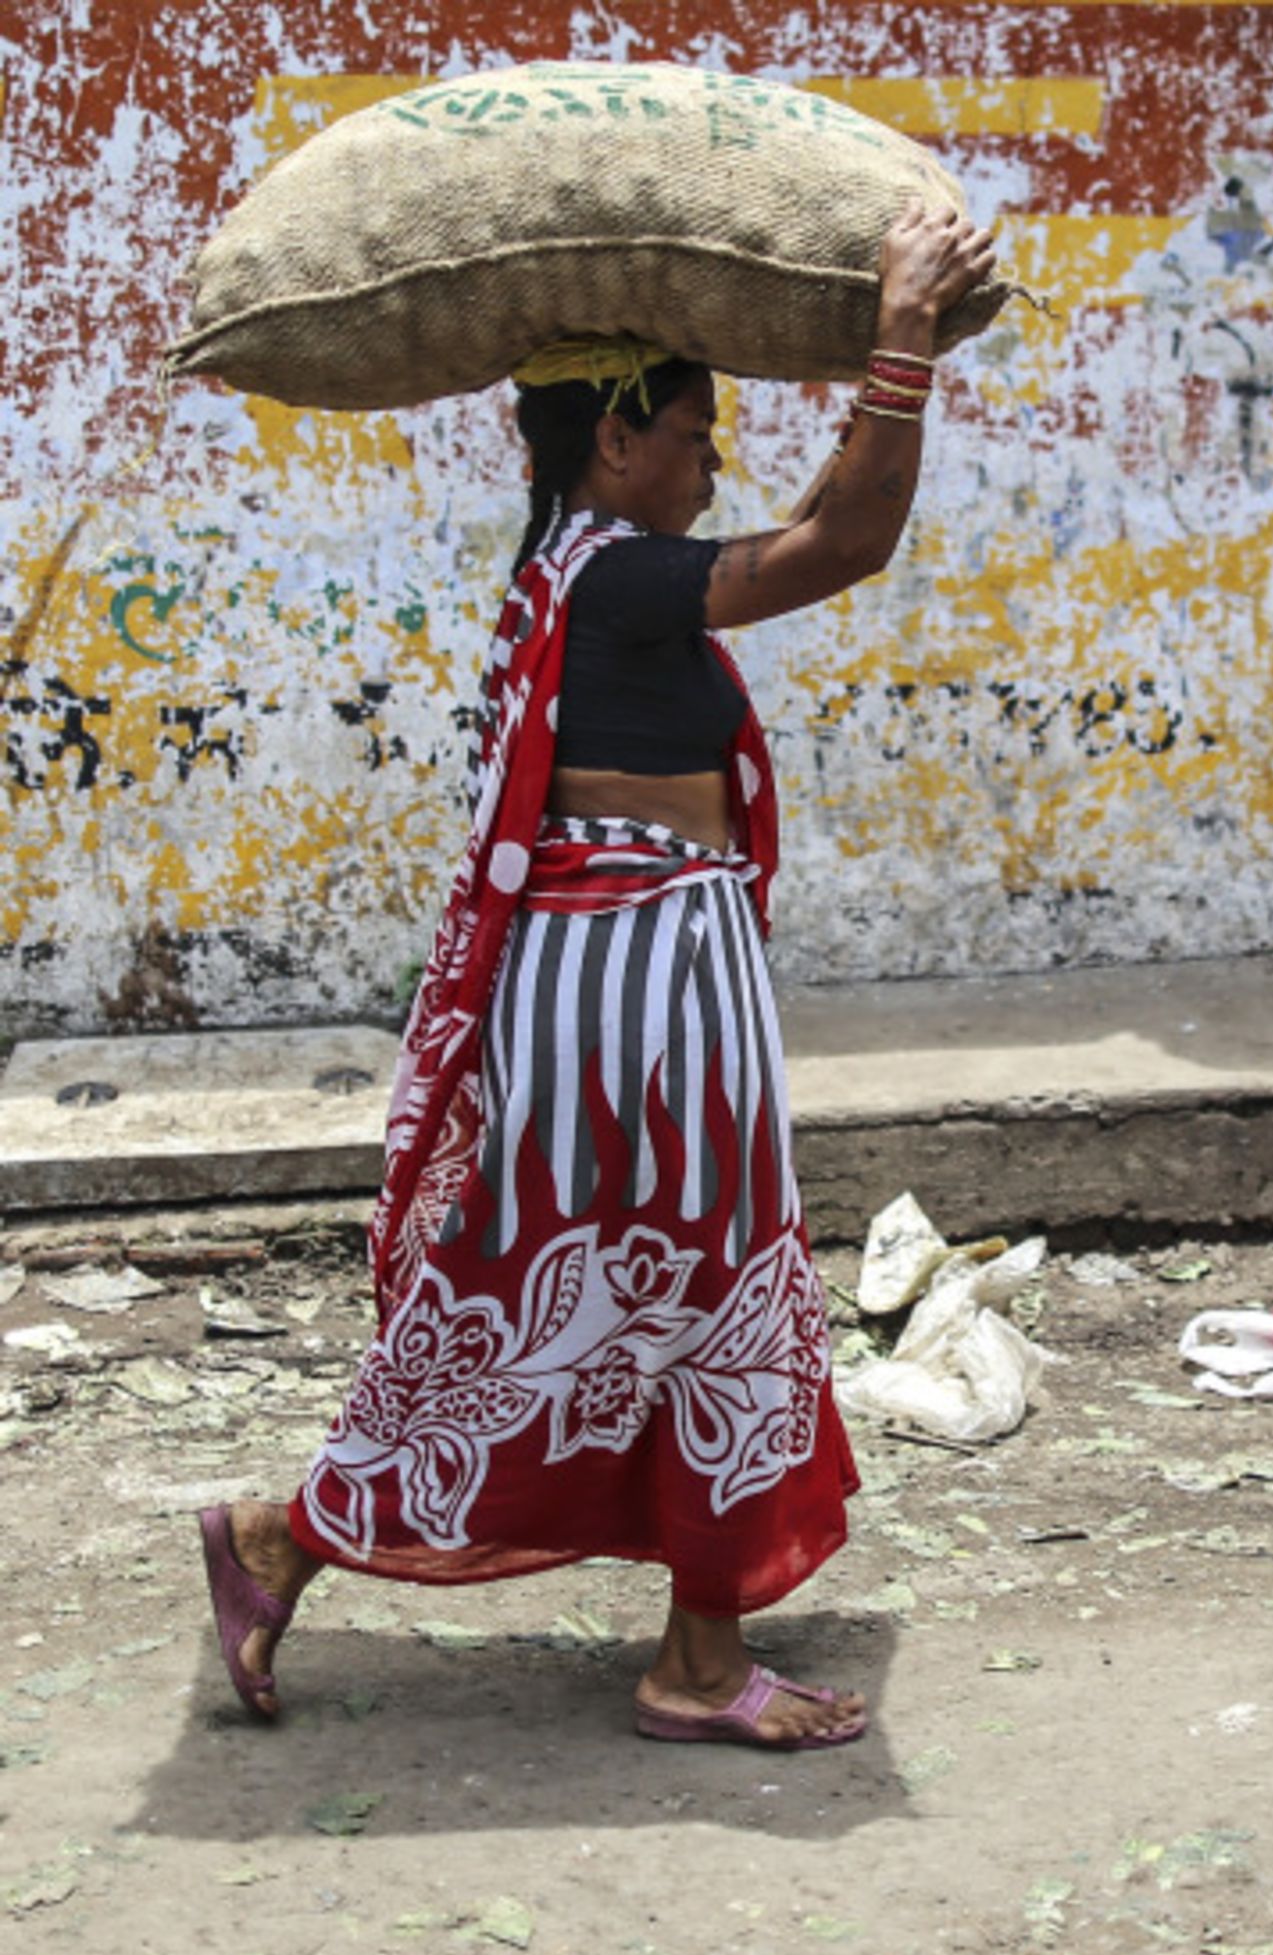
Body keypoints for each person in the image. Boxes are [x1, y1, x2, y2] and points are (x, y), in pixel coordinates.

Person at [195, 202, 999, 1750]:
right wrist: (900, 337)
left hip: (618, 973)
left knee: (640, 1290)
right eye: (697, 433)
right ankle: (665, 1652)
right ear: (620, 437)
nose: (714, 466)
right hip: (640, 985)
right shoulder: (624, 581)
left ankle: (312, 1544)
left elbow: (818, 508)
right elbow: (851, 537)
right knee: (687, 1284)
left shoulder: (579, 568)